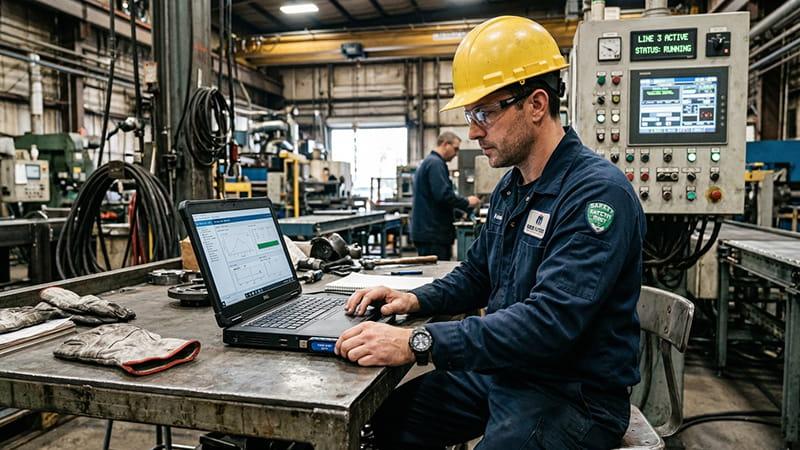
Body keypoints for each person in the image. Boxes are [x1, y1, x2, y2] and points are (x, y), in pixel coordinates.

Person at [334, 15, 645, 450]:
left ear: (536, 105)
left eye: (484, 112)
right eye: (469, 114)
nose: (473, 130)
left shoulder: (596, 195)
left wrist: (417, 341)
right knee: (386, 422)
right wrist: (416, 299)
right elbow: (478, 274)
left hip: (572, 396)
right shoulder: (513, 187)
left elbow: (548, 324)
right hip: (507, 371)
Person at [411, 131, 481, 261]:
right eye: (455, 148)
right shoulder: (435, 164)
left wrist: (459, 213)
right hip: (433, 233)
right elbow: (443, 195)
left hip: (428, 231)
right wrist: (467, 202)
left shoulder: (429, 162)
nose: (456, 154)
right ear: (445, 144)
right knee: (436, 274)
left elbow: (435, 200)